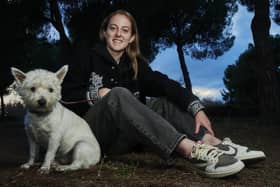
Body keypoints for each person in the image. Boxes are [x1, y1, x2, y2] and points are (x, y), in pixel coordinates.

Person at [61, 9, 265, 178]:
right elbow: (64, 97)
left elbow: (166, 85)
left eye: (125, 30)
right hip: (91, 137)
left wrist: (196, 108)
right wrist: (96, 94)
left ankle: (213, 143)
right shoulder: (85, 56)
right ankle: (192, 151)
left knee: (163, 103)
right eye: (113, 28)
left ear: (132, 37)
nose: (118, 34)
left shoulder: (135, 65)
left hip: (125, 139)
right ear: (104, 32)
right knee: (118, 94)